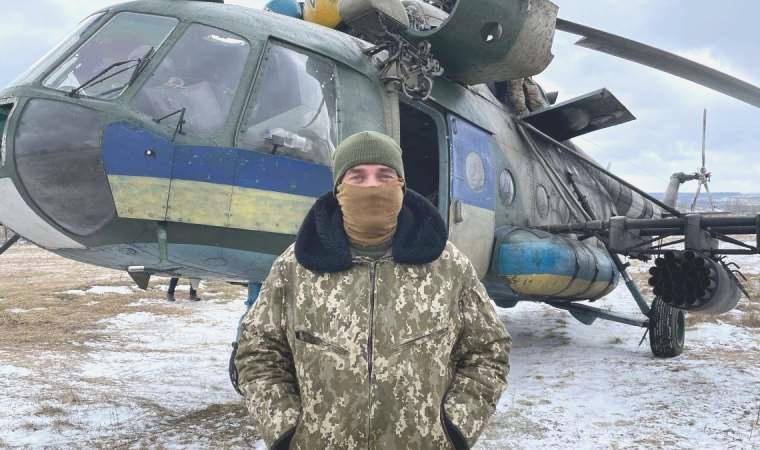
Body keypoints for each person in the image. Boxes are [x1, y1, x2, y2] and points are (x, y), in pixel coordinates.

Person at [235, 131, 511, 449]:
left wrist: (454, 429)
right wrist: (286, 431)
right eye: (357, 176)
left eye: (384, 175)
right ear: (339, 188)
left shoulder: (448, 266)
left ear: (401, 186)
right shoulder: (295, 268)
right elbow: (258, 354)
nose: (372, 187)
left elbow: (489, 351)